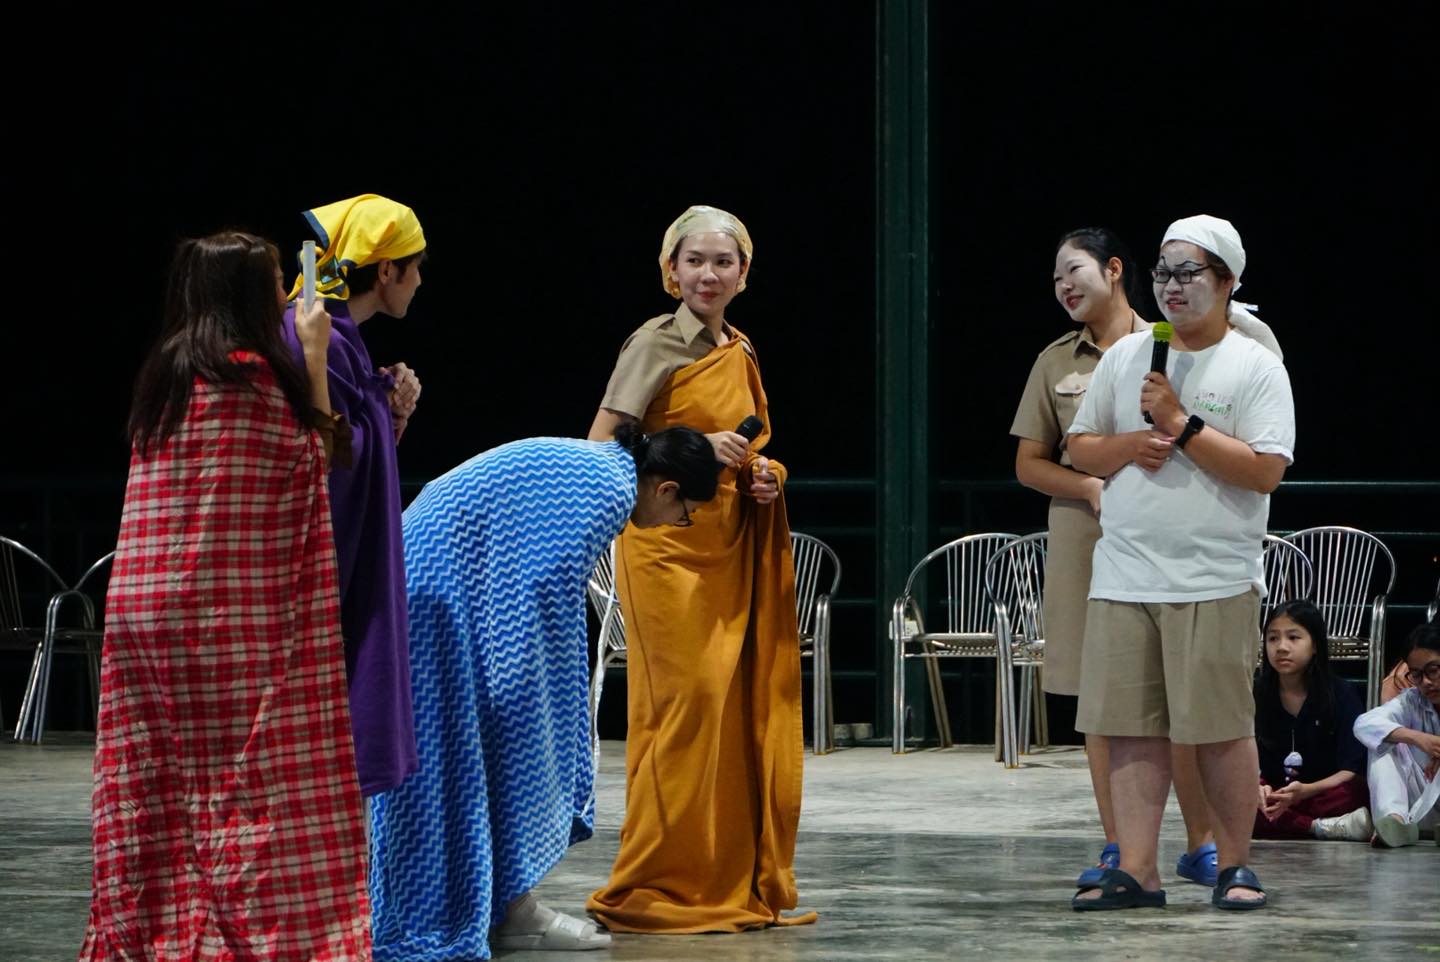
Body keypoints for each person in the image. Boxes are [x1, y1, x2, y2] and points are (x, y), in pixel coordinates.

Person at [82, 232, 369, 958]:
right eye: (274, 284)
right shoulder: (248, 378)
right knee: (245, 778)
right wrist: (313, 357)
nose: (284, 296)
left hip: (143, 612)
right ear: (248, 298)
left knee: (156, 779)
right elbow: (314, 459)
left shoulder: (169, 375)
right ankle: (233, 934)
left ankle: (154, 928)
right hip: (219, 615)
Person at [367, 423, 723, 959]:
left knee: (468, 752)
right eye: (683, 513)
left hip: (427, 578)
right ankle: (446, 913)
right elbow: (543, 593)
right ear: (666, 488)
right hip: (431, 593)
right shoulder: (611, 491)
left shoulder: (604, 467)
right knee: (452, 757)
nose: (675, 524)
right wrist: (535, 696)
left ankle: (501, 903)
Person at [584, 205, 815, 933]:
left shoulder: (740, 349)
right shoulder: (654, 343)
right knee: (682, 711)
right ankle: (655, 879)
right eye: (694, 261)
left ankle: (721, 877)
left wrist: (764, 476)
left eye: (722, 262)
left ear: (744, 273)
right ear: (670, 271)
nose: (708, 275)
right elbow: (601, 448)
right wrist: (690, 447)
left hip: (730, 546)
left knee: (730, 708)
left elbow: (753, 447)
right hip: (666, 550)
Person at [1068, 214, 1295, 911]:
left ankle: (1235, 866)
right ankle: (1138, 871)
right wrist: (1130, 445)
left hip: (1213, 578)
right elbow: (1081, 446)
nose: (1171, 286)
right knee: (1130, 729)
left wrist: (1180, 424)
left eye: (1188, 273)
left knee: (1220, 731)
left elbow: (1265, 471)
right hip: (1125, 573)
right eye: (1163, 272)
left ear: (1227, 282)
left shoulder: (1255, 364)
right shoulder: (1127, 357)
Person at [1013, 228, 1219, 886]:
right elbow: (1028, 463)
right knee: (1103, 702)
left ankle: (1202, 841)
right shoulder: (1055, 361)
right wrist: (1087, 486)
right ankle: (1118, 846)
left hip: (1168, 535)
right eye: (1055, 278)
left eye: (1074, 270)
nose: (1063, 286)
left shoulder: (1171, 341)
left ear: (1114, 270)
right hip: (1086, 536)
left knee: (1183, 697)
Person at [281, 193, 427, 798]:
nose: (419, 282)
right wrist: (377, 403)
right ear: (386, 270)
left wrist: (386, 402)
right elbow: (331, 455)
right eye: (414, 268)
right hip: (315, 556)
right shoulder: (319, 338)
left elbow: (357, 435)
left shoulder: (342, 341)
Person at [1252, 601, 1370, 840]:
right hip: (1277, 792)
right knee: (1239, 800)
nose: (1281, 647)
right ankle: (1318, 827)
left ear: (1315, 644)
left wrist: (1306, 791)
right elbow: (1245, 758)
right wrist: (1257, 787)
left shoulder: (1340, 693)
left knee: (1353, 793)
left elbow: (1351, 770)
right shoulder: (1257, 693)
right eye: (1273, 638)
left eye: (1293, 638)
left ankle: (1294, 823)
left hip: (1323, 790)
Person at [1352, 622, 1440, 847]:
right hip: (1423, 804)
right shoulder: (1412, 700)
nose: (1426, 682)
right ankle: (1395, 822)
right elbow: (1364, 724)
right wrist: (1419, 738)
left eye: (1433, 670)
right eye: (1417, 675)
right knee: (1385, 742)